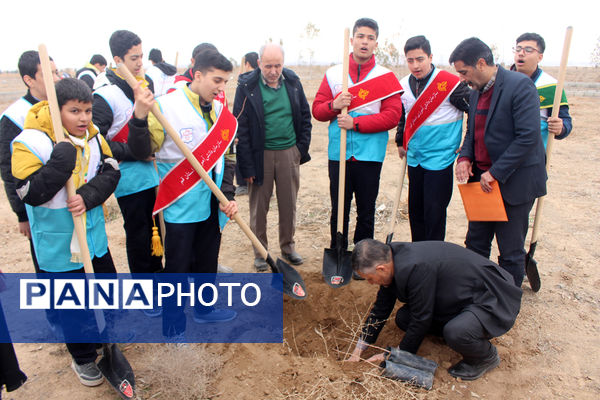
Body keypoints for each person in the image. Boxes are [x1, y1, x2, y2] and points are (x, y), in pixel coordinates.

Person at [11, 78, 121, 386]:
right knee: (73, 304)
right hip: (59, 244)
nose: (84, 118)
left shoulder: (94, 135)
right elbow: (28, 191)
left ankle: (102, 340)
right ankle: (83, 357)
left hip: (93, 237)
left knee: (104, 290)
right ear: (55, 110)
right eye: (74, 111)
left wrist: (87, 196)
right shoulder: (30, 141)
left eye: (87, 110)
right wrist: (61, 161)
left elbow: (111, 170)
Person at [128, 49, 238, 337]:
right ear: (197, 75)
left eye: (225, 81)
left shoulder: (218, 110)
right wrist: (139, 117)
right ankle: (173, 329)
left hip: (212, 204)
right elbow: (141, 150)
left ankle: (204, 310)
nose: (221, 88)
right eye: (217, 80)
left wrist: (228, 194)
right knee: (176, 271)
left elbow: (226, 157)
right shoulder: (166, 107)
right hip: (180, 204)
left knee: (206, 261)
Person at [347, 238, 522, 381]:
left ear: (381, 268)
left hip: (490, 297)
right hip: (459, 295)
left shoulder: (415, 267)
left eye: (370, 278)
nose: (370, 283)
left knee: (456, 332)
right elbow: (381, 308)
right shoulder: (391, 258)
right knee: (403, 318)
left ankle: (485, 357)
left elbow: (421, 318)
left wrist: (397, 356)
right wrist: (358, 350)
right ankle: (458, 331)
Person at [449, 37, 547, 287]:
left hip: (513, 182)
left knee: (511, 249)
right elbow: (472, 130)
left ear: (481, 63)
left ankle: (507, 302)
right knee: (475, 243)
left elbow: (528, 137)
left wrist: (496, 171)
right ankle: (475, 290)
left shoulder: (520, 86)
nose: (462, 78)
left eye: (464, 71)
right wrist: (465, 157)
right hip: (481, 181)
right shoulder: (474, 92)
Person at [312, 18, 403, 261]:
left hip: (370, 154)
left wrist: (357, 123)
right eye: (360, 36)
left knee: (366, 210)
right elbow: (318, 110)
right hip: (338, 153)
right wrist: (334, 105)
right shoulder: (334, 74)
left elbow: (392, 116)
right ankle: (339, 254)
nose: (365, 42)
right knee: (339, 207)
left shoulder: (385, 77)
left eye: (370, 38)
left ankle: (364, 257)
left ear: (376, 43)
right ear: (351, 40)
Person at [234, 43, 312, 271]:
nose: (273, 71)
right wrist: (246, 166)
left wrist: (299, 149)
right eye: (268, 66)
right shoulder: (247, 87)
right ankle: (260, 253)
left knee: (289, 205)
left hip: (289, 153)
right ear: (259, 63)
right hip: (261, 156)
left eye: (278, 65)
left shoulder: (293, 82)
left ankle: (288, 247)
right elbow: (241, 127)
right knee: (259, 208)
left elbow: (305, 117)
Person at [93, 30, 163, 275]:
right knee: (139, 233)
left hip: (155, 173)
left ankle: (159, 275)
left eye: (141, 56)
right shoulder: (104, 95)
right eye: (133, 58)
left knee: (158, 229)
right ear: (117, 60)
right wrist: (135, 152)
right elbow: (97, 143)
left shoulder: (146, 84)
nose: (140, 63)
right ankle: (145, 286)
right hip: (129, 179)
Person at [396, 36, 470, 242]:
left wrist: (467, 145)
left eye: (420, 59)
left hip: (441, 158)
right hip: (415, 157)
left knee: (434, 211)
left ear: (430, 57)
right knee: (416, 210)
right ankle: (417, 254)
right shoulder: (403, 84)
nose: (415, 65)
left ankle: (434, 257)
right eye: (410, 60)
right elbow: (405, 115)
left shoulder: (450, 84)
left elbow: (475, 110)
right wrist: (400, 140)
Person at [0, 50, 60, 273]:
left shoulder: (63, 107)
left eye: (56, 72)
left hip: (71, 204)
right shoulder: (15, 116)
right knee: (50, 268)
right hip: (40, 207)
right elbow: (9, 171)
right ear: (29, 80)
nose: (56, 78)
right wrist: (21, 215)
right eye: (48, 74)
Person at [511, 32, 572, 149]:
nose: (521, 53)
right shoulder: (500, 82)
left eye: (528, 50)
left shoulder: (551, 86)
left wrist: (561, 127)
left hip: (533, 157)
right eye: (518, 49)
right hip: (499, 157)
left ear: (540, 57)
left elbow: (565, 121)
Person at [234, 51, 259, 196]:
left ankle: (243, 184)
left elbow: (238, 113)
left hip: (245, 125)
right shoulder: (263, 80)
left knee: (241, 148)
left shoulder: (244, 82)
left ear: (247, 64)